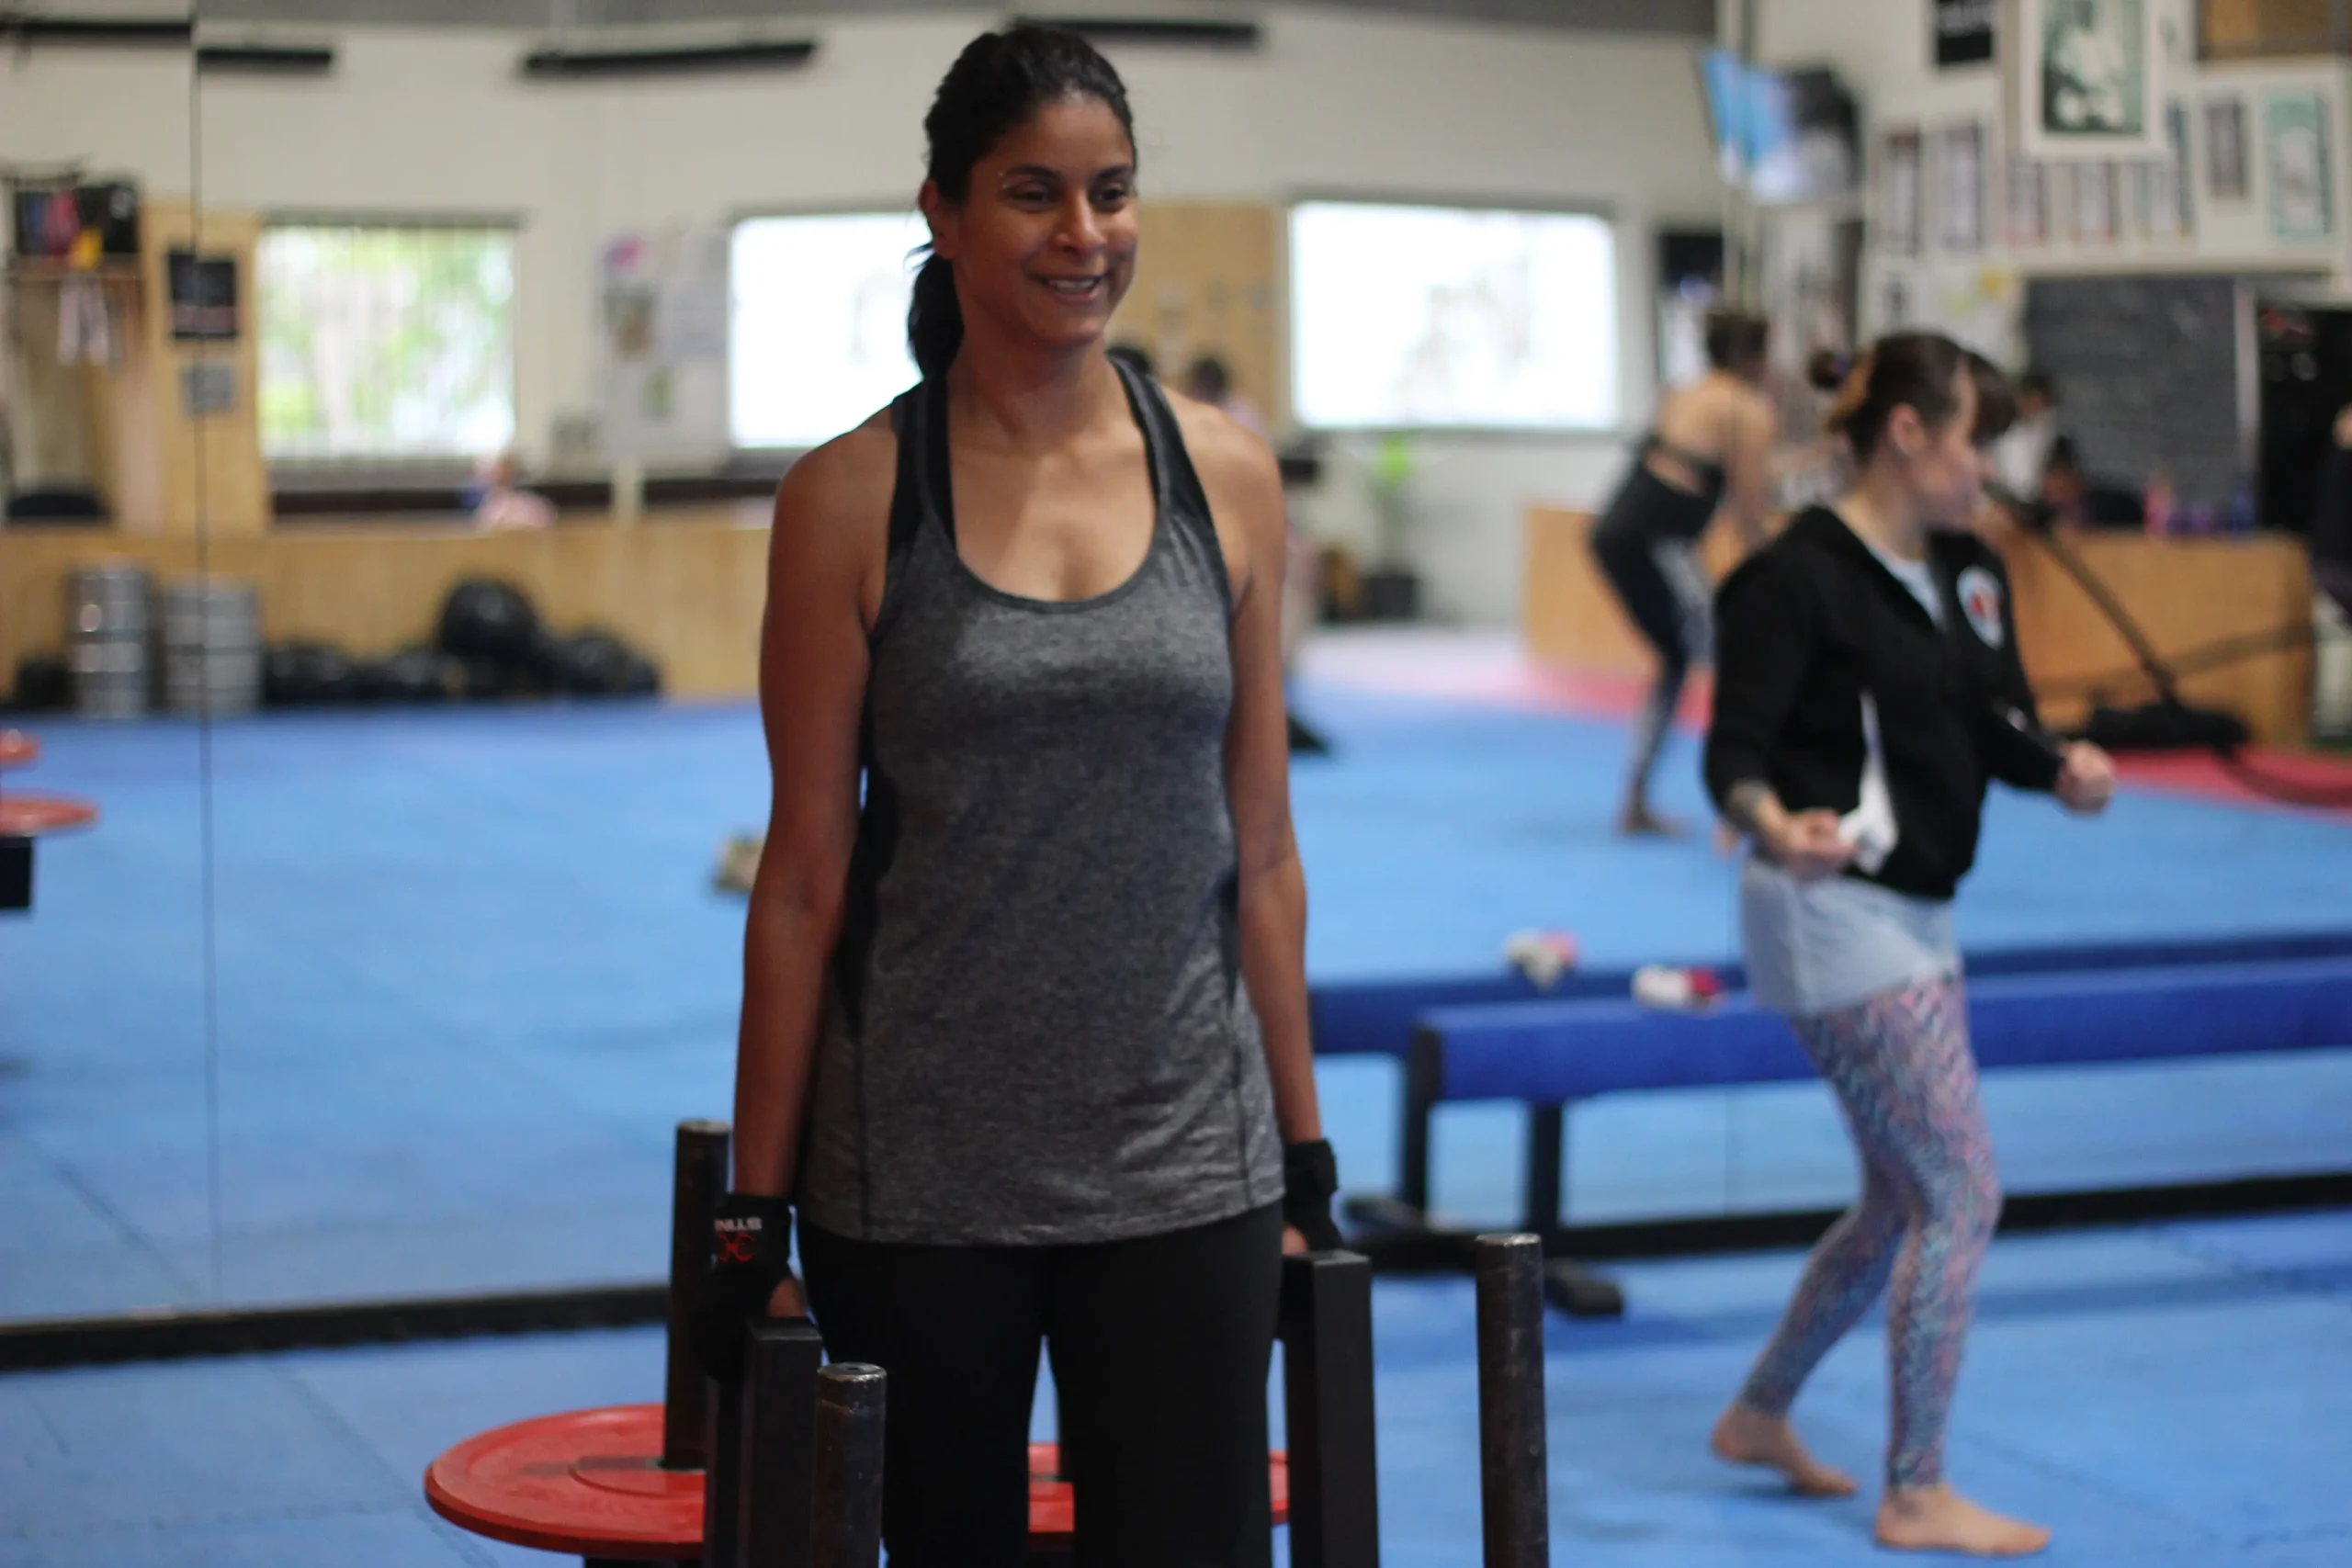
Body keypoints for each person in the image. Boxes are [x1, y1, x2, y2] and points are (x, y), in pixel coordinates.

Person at [695, 26, 1338, 1568]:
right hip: (918, 1174)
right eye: (1033, 194)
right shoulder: (851, 497)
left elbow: (1262, 851)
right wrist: (749, 1210)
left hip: (1189, 1159)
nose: (1083, 235)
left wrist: (1307, 1156)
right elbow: (800, 875)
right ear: (944, 211)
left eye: (1111, 194)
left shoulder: (1228, 478)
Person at [1702, 333, 2116, 1557]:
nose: (1991, 467)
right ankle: (1915, 1484)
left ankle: (1758, 1411)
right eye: (1975, 441)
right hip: (1828, 906)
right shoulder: (1796, 577)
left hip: (1923, 905)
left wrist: (2066, 770)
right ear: (1905, 434)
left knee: (1895, 1199)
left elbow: (1995, 722)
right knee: (1959, 1186)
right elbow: (1731, 756)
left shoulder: (1971, 567)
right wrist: (1779, 822)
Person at [1590, 307, 1779, 836]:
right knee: (1738, 661)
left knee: (1678, 661)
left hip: (1618, 533)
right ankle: (1741, 802)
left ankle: (1638, 801)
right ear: (1752, 356)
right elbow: (1748, 511)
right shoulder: (1745, 409)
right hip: (1658, 544)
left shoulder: (1685, 393)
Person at [1990, 368, 2059, 506]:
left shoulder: (2054, 432)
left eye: (2034, 400)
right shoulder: (2009, 434)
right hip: (2009, 499)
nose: (2028, 405)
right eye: (2026, 399)